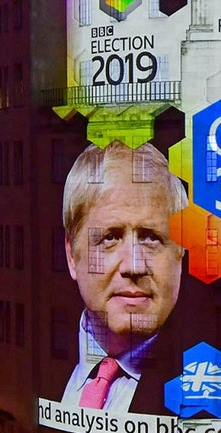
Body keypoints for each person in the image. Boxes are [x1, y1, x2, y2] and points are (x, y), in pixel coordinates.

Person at [59, 142, 189, 413]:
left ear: (181, 253)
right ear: (72, 255)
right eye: (110, 237)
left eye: (151, 237)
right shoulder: (29, 366)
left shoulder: (219, 390)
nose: (134, 265)